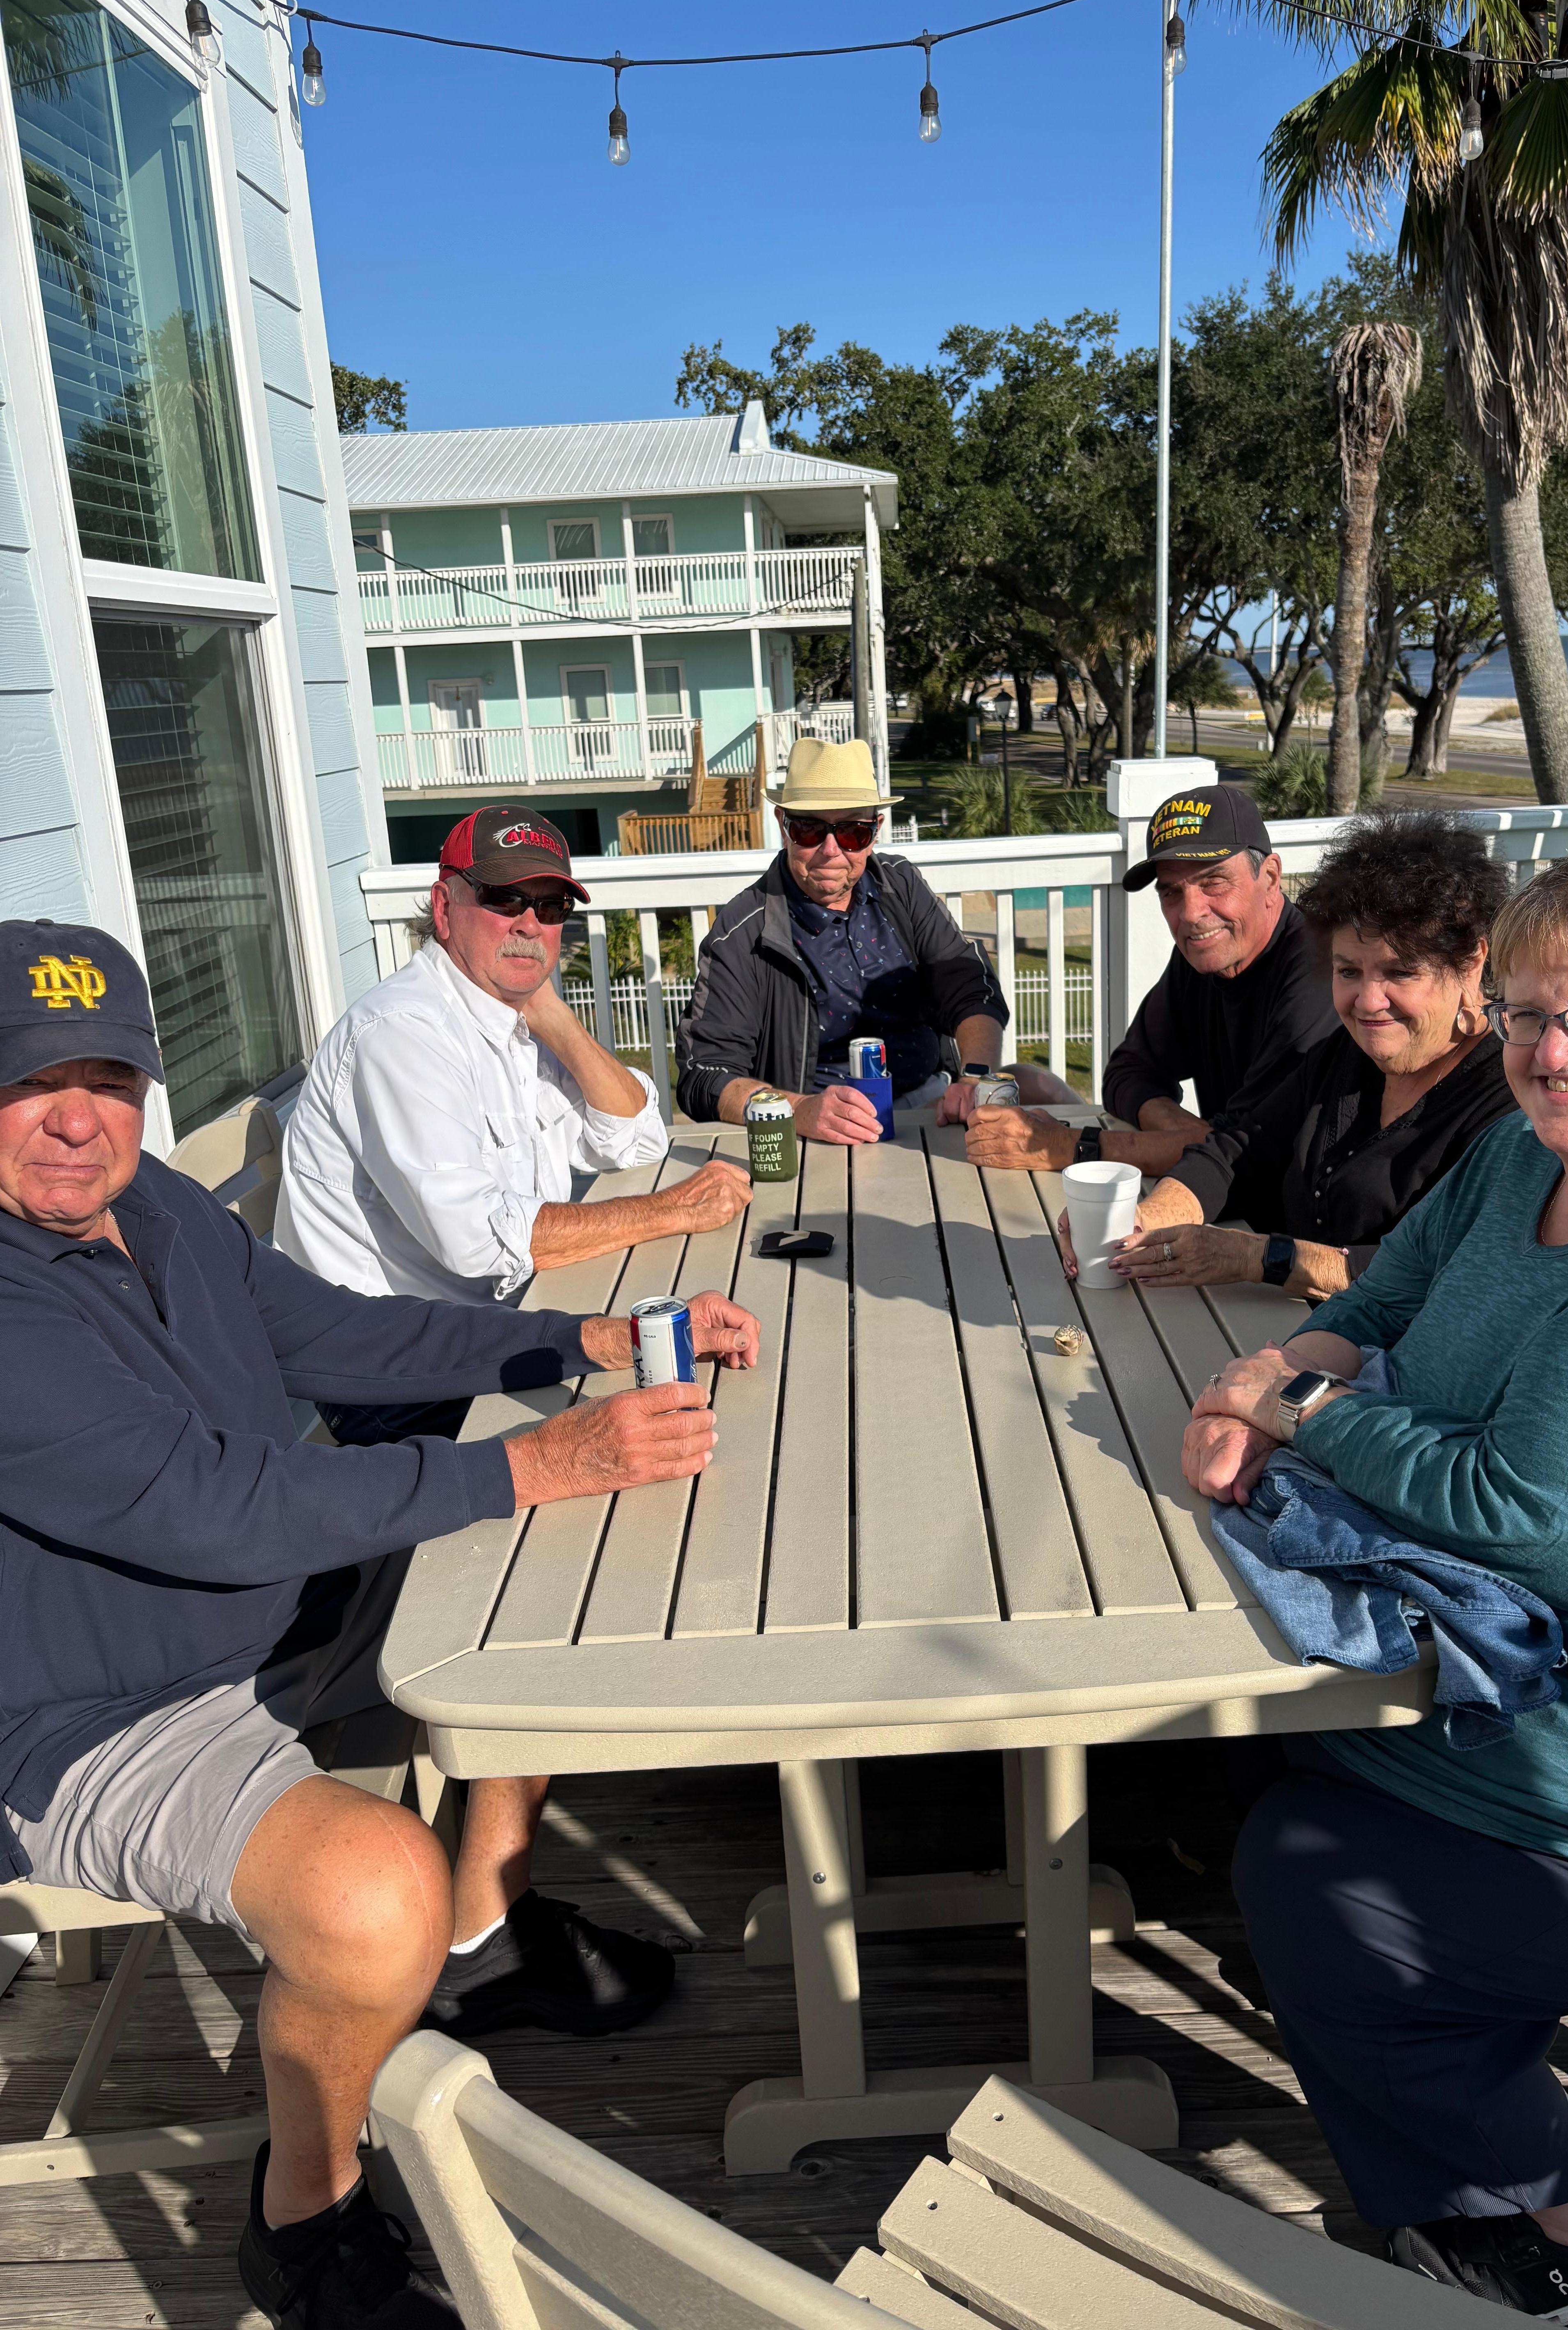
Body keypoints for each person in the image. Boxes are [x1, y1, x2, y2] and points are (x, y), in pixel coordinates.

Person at [0, 918, 758, 2328]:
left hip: (264, 1614)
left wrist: (574, 1341)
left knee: (554, 1618)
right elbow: (206, 1504)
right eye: (29, 1079)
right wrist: (534, 1458)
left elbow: (345, 1333)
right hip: (92, 1710)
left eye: (107, 1077)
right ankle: (306, 2214)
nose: (73, 1116)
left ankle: (483, 1931)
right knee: (368, 1895)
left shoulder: (157, 1205)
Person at [1182, 845, 1568, 2318]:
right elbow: (1383, 1299)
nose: (1546, 1050)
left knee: (1309, 1881)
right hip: (1516, 1673)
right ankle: (1472, 2216)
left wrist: (1306, 1416)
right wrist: (1265, 1369)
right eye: (1517, 1012)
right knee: (1220, 1789)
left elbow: (1547, 1522)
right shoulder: (1527, 1145)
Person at [278, 803, 751, 1443]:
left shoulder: (505, 1017)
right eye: (505, 898)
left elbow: (635, 1139)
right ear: (443, 908)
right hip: (392, 1378)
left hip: (488, 1331)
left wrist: (556, 1019)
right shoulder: (403, 1035)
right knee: (683, 1427)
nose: (531, 923)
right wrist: (673, 1211)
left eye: (552, 907)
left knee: (711, 1380)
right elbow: (476, 1239)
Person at [1103, 814, 1516, 1298]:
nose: (1368, 1001)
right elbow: (1237, 1150)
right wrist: (1146, 1220)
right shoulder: (1344, 1056)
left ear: (1471, 965)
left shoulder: (1510, 1097)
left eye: (1400, 973)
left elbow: (1441, 1266)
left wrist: (1255, 1257)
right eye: (1348, 972)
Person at [958, 783, 1335, 1167]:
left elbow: (1246, 1153)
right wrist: (1188, 1133)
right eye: (1171, 892)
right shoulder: (1205, 959)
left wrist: (1068, 1146)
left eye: (1213, 881)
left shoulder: (1323, 972)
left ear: (1270, 878)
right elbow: (1126, 1073)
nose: (1191, 913)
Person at [674, 737, 1010, 1142]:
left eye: (852, 831)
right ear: (784, 826)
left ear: (876, 830)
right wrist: (798, 1111)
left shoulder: (900, 887)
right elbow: (705, 1075)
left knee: (1042, 1090)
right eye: (809, 829)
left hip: (934, 1106)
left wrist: (974, 1077)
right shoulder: (743, 932)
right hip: (822, 1134)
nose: (831, 851)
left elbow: (971, 986)